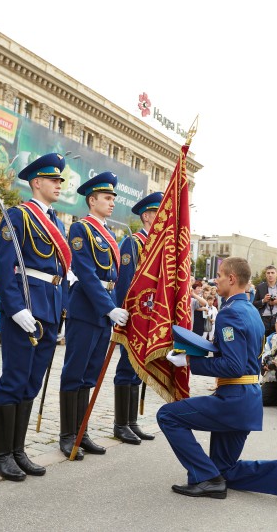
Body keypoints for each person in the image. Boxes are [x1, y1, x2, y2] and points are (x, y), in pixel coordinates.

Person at [159, 257, 277, 502]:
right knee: (224, 470)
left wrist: (189, 363)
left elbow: (233, 365)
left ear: (231, 278)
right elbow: (237, 354)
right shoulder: (250, 310)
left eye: (219, 275)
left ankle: (205, 478)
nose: (216, 280)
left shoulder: (230, 313)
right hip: (247, 399)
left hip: (233, 398)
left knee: (167, 415)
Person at [0, 153, 70, 480]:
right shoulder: (19, 216)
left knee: (33, 381)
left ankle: (18, 449)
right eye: (53, 179)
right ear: (36, 182)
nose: (59, 185)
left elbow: (62, 273)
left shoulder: (59, 223)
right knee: (14, 379)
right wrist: (16, 308)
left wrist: (62, 307)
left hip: (50, 310)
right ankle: (1, 454)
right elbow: (4, 266)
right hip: (25, 308)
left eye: (60, 180)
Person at [59, 171, 129, 459]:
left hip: (104, 309)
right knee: (75, 372)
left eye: (113, 198)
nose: (112, 203)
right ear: (92, 200)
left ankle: (82, 431)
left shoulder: (110, 234)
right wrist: (108, 307)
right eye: (107, 198)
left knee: (90, 374)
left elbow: (113, 276)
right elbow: (86, 273)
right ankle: (67, 435)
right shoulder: (81, 230)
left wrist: (114, 306)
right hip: (88, 308)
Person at [111, 191, 163, 445]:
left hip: (150, 317)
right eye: (158, 213)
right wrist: (124, 314)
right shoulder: (133, 243)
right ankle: (121, 424)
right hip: (132, 316)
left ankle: (131, 421)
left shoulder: (158, 248)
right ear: (147, 216)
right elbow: (124, 284)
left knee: (138, 370)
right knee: (126, 367)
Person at [253, 265, 277, 337]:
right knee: (263, 340)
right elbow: (254, 304)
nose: (270, 275)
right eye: (268, 273)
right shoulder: (260, 287)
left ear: (276, 274)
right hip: (264, 318)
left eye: (272, 273)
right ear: (265, 275)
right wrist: (263, 300)